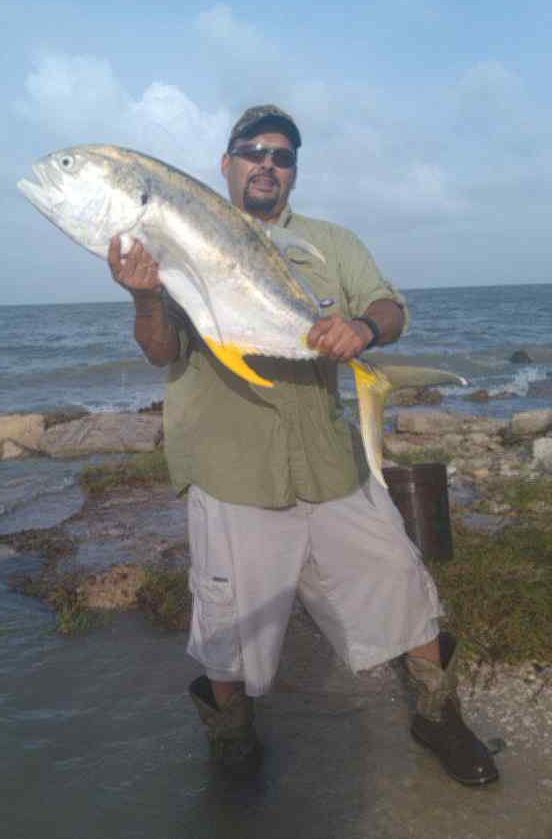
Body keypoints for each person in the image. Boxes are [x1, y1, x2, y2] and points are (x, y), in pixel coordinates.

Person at [108, 105, 499, 786]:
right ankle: (233, 745)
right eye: (252, 150)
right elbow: (161, 351)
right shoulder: (172, 239)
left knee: (404, 584)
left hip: (329, 460)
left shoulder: (329, 243)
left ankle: (439, 716)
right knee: (230, 631)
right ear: (225, 165)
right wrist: (144, 298)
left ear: (293, 172)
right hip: (233, 471)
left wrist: (364, 332)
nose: (267, 162)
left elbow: (389, 305)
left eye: (282, 155)